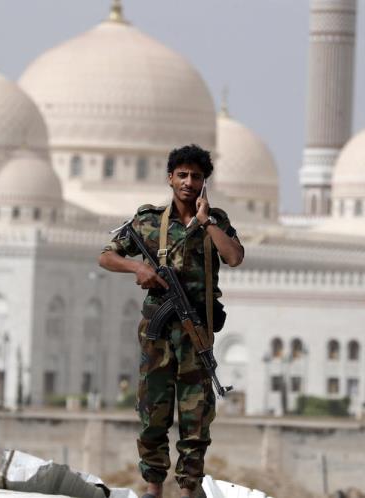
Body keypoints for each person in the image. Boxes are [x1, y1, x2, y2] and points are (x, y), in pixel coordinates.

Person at [98, 144, 244, 498]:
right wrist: (137, 268)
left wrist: (206, 222)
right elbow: (106, 256)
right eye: (182, 175)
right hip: (158, 334)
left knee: (196, 418)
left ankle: (188, 489)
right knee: (153, 411)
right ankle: (153, 487)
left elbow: (234, 256)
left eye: (196, 176)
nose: (188, 182)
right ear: (170, 178)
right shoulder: (148, 221)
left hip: (197, 333)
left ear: (204, 182)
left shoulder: (216, 221)